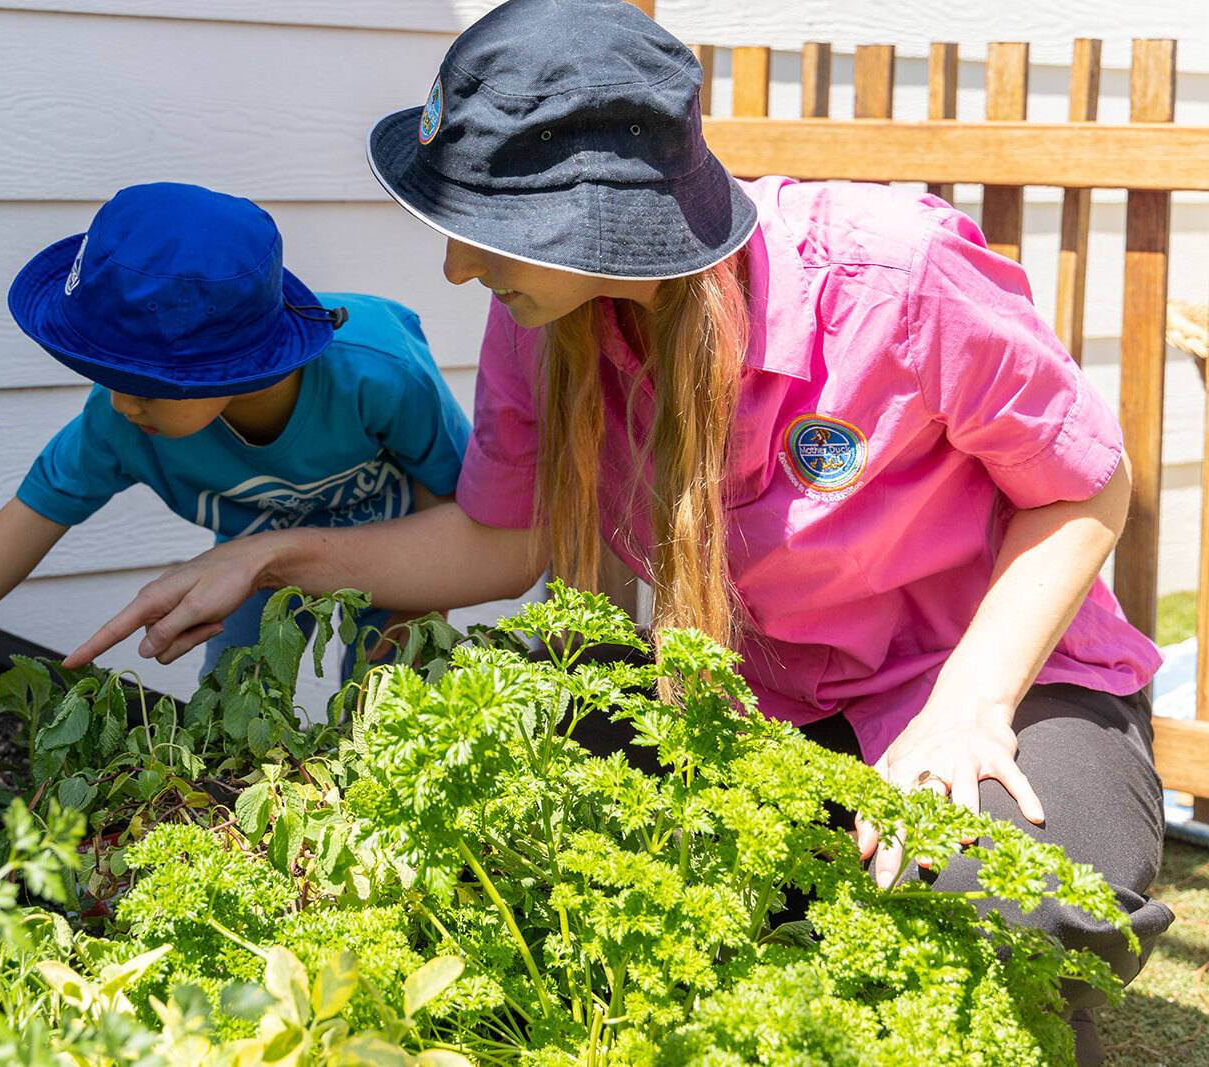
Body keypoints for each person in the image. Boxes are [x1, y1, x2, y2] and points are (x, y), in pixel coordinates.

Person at [61, 4, 1170, 1058]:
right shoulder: (544, 323)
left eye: (486, 234)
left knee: (994, 915)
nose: (457, 268)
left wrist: (964, 708)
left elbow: (1084, 487)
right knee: (501, 802)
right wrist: (265, 556)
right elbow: (504, 542)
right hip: (754, 710)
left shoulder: (892, 279)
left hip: (995, 686)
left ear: (599, 223)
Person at [0, 182, 470, 677]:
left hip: (394, 551)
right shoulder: (123, 418)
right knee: (234, 698)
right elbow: (34, 513)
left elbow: (445, 489)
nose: (120, 402)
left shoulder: (376, 373)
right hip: (252, 564)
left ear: (233, 367)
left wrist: (419, 607)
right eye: (107, 376)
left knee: (393, 710)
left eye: (146, 385)